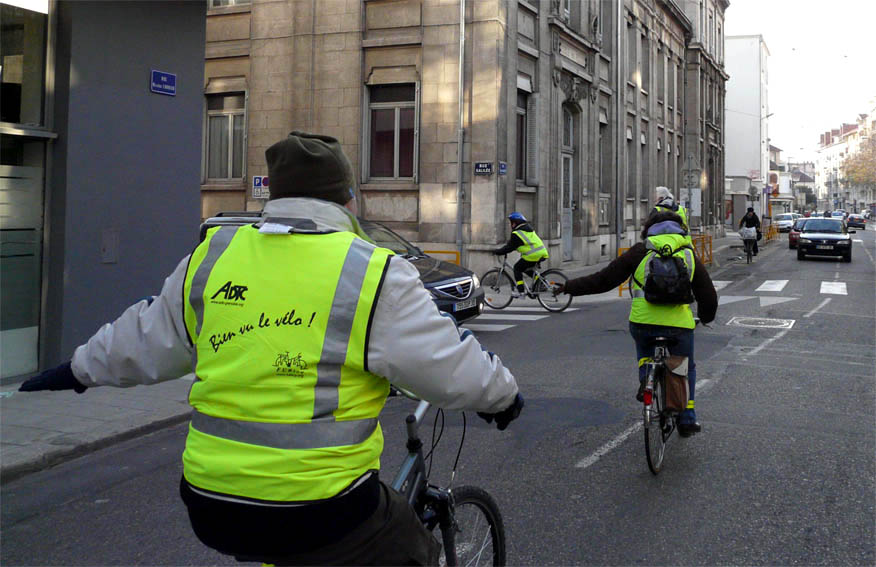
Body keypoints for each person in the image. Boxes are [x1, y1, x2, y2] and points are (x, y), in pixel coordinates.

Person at [19, 131, 523, 566]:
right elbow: (447, 364)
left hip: (209, 504)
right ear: (347, 199)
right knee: (412, 548)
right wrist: (501, 396)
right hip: (320, 508)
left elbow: (145, 338)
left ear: (274, 195)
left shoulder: (214, 254)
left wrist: (75, 370)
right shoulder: (371, 271)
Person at [555, 211, 717, 437]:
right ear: (680, 230)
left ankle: (647, 378)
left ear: (649, 229)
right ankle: (687, 418)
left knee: (645, 350)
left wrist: (569, 286)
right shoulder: (689, 253)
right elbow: (708, 295)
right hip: (679, 326)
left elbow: (604, 280)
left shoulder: (640, 252)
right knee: (685, 366)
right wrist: (706, 317)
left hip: (643, 323)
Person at [492, 212, 549, 297]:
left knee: (517, 268)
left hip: (533, 255)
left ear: (515, 222)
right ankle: (543, 282)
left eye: (511, 222)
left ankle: (521, 292)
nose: (510, 225)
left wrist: (497, 251)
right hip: (542, 253)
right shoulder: (528, 229)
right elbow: (519, 244)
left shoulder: (517, 233)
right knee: (527, 269)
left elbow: (510, 247)